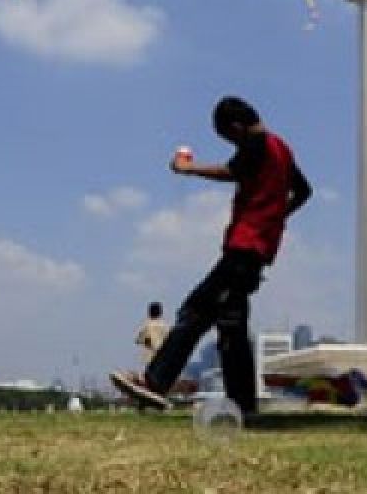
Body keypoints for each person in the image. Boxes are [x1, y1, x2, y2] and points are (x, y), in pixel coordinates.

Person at [111, 96, 312, 417]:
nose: (232, 145)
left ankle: (155, 382)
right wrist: (277, 217)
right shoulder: (282, 149)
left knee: (195, 311)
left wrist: (188, 169)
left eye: (229, 139)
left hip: (242, 248)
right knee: (231, 327)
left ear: (236, 127)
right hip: (258, 251)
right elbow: (304, 192)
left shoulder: (257, 145)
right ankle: (244, 406)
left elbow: (231, 171)